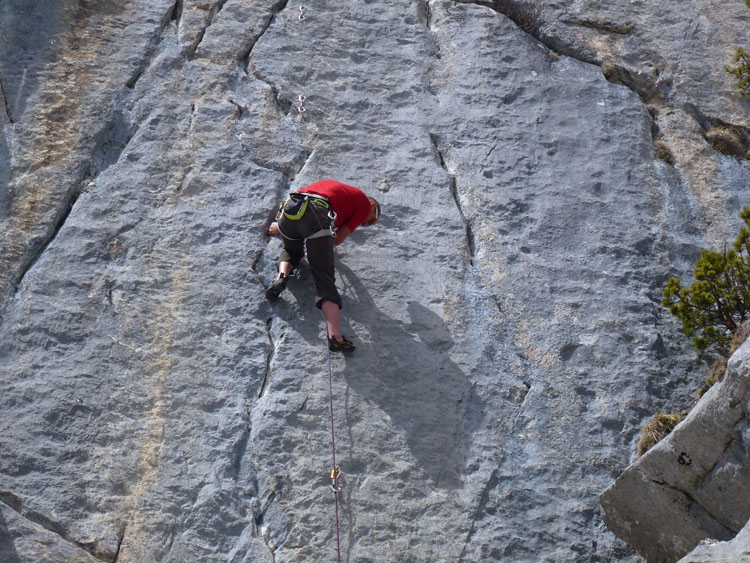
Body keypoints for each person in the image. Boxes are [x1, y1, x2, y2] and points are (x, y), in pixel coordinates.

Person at [265, 179, 381, 353]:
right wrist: (324, 245)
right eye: (370, 221)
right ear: (372, 204)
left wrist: (279, 228)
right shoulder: (364, 203)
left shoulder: (331, 188)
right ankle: (335, 336)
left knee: (291, 251)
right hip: (317, 214)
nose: (365, 225)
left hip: (291, 209)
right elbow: (338, 239)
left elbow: (304, 211)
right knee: (324, 282)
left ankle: (281, 278)